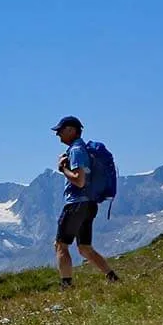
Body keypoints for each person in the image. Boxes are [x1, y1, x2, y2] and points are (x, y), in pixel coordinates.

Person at [52, 115, 120, 289]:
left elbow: (79, 180)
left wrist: (63, 169)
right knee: (84, 247)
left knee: (61, 245)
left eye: (60, 130)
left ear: (70, 130)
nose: (58, 134)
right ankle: (113, 278)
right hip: (89, 204)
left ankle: (66, 286)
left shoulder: (76, 150)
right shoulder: (81, 149)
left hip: (76, 204)